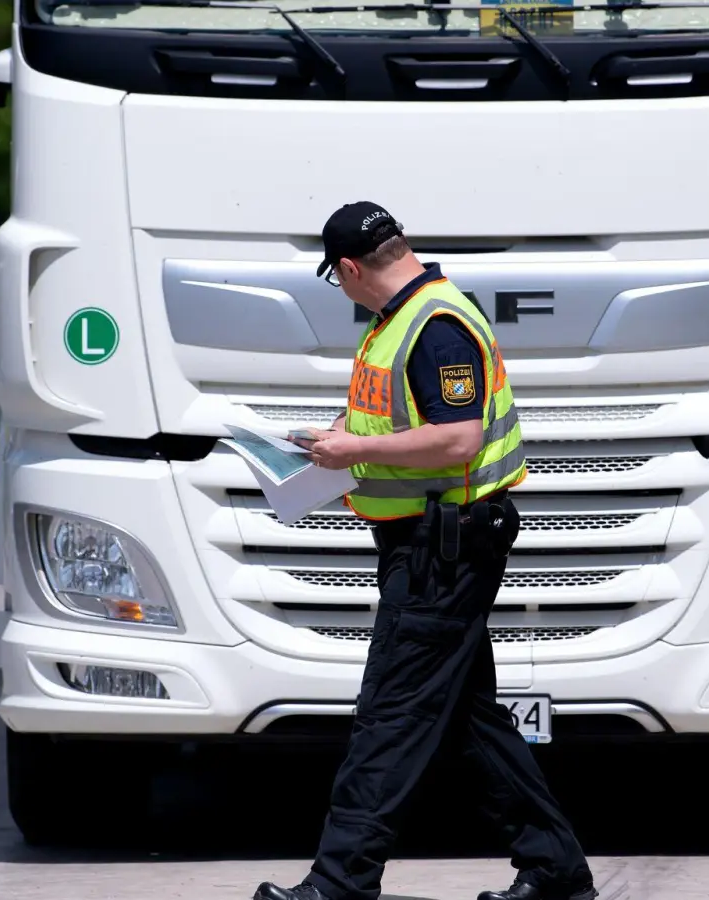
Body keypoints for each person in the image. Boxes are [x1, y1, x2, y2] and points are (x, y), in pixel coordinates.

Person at [253, 202, 597, 900]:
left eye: (338, 279)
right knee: (470, 720)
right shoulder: (402, 321)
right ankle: (556, 872)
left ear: (349, 268)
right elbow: (402, 419)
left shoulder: (434, 325)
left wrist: (354, 449)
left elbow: (459, 439)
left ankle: (340, 882)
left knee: (392, 713)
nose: (342, 290)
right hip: (432, 542)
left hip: (444, 551)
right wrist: (331, 442)